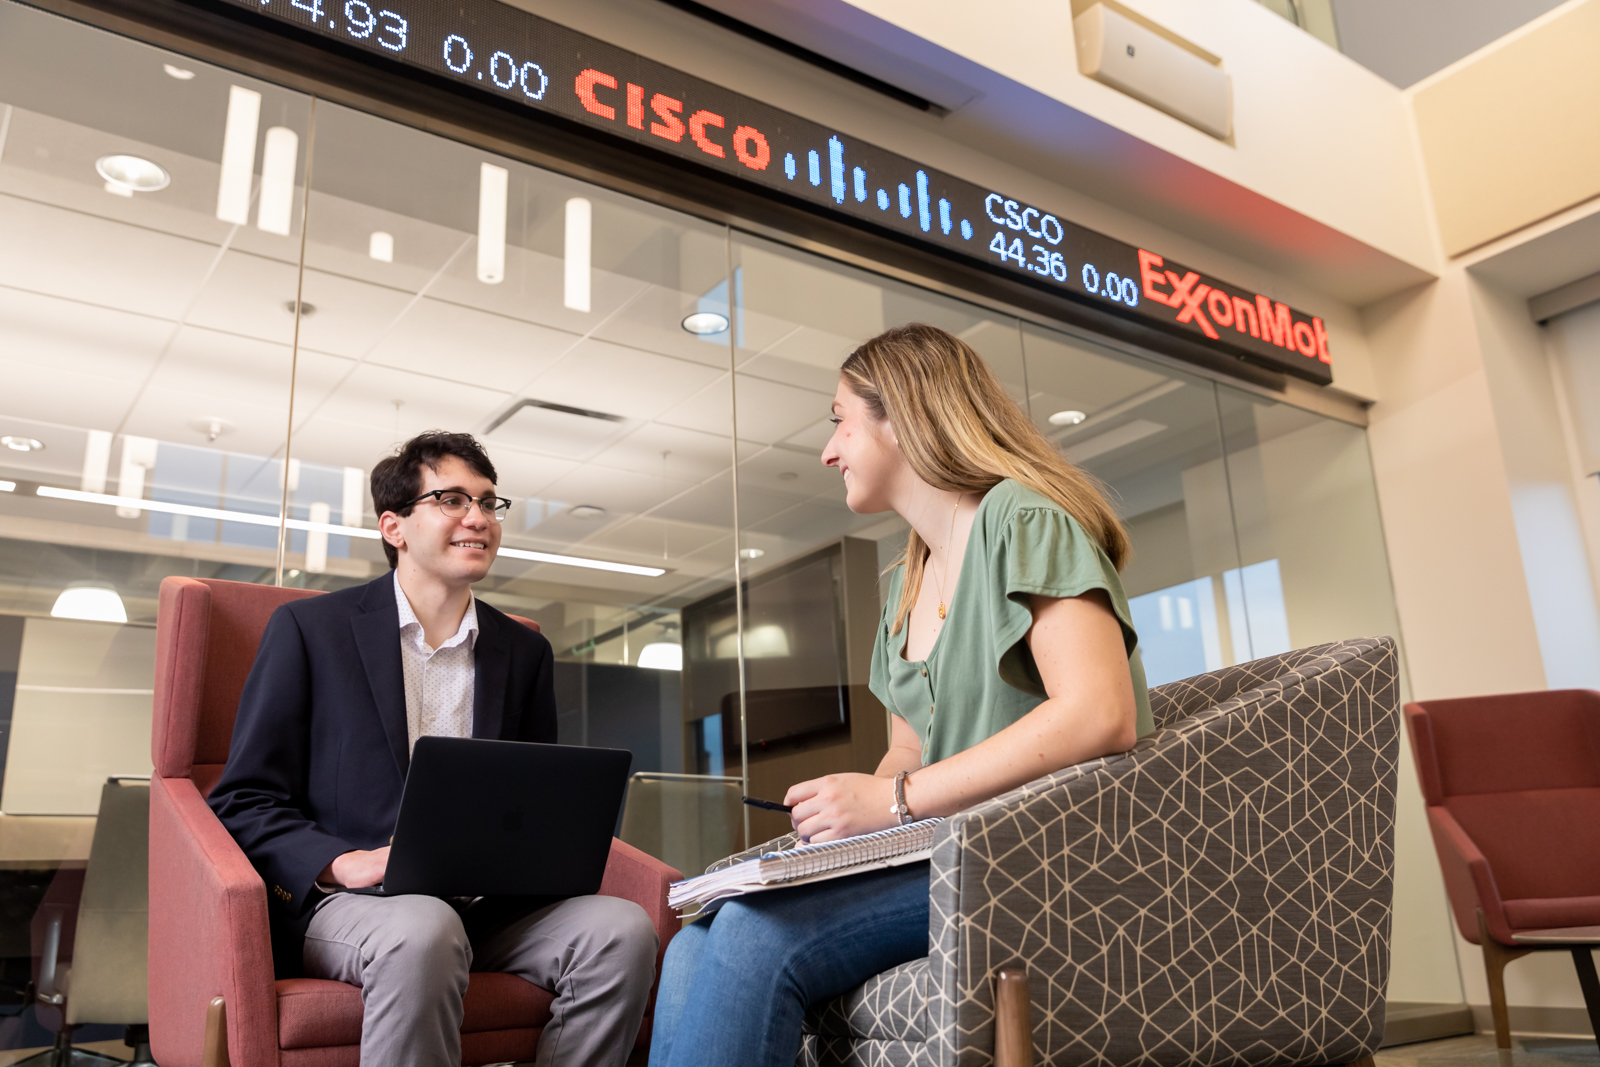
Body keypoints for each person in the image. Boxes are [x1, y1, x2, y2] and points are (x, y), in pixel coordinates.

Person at [649, 324, 1154, 1067]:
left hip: (1031, 855)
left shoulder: (1028, 519)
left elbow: (1100, 711)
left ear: (903, 415)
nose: (827, 451)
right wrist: (851, 818)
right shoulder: (906, 585)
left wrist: (893, 803)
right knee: (695, 943)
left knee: (758, 937)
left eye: (839, 421)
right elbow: (909, 749)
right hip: (937, 852)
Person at [208, 431, 658, 1067]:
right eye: (451, 499)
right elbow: (243, 798)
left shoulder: (524, 653)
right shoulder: (312, 632)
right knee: (423, 927)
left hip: (487, 907)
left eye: (488, 502)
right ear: (394, 526)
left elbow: (531, 803)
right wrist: (342, 863)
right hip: (355, 908)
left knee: (621, 930)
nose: (477, 518)